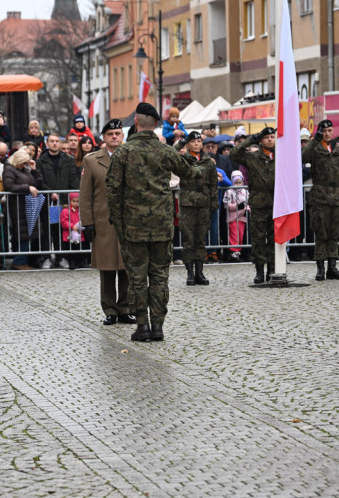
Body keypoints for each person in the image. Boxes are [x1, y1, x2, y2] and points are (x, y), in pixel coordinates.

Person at [106, 102, 206, 342]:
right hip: (161, 226)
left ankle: (142, 326)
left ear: (136, 122)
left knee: (137, 278)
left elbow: (113, 191)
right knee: (160, 276)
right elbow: (193, 173)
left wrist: (119, 226)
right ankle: (158, 326)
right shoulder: (166, 151)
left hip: (133, 227)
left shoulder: (123, 153)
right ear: (157, 124)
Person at [80, 119, 132, 326]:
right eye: (110, 134)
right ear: (104, 137)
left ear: (123, 136)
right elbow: (85, 195)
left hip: (128, 221)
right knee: (107, 267)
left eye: (117, 133)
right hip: (103, 222)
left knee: (127, 267)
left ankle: (125, 308)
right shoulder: (92, 161)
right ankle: (110, 309)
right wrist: (88, 222)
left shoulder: (131, 158)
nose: (114, 137)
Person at [302, 119, 339, 280]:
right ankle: (320, 267)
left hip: (337, 196)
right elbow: (302, 157)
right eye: (324, 131)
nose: (328, 133)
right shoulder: (315, 148)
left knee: (334, 233)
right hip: (320, 197)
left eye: (330, 130)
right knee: (321, 233)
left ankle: (332, 266)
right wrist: (314, 140)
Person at [230, 127, 277, 283]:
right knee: (258, 238)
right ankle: (259, 270)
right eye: (266, 137)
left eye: (272, 137)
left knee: (273, 238)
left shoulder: (281, 155)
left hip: (276, 202)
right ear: (261, 140)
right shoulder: (253, 157)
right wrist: (251, 139)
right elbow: (234, 154)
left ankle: (272, 269)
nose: (270, 139)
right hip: (258, 202)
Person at [178, 131, 218, 286]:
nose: (196, 143)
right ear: (188, 144)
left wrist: (213, 204)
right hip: (188, 204)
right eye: (193, 141)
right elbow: (171, 155)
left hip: (203, 204)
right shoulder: (183, 160)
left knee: (200, 239)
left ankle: (200, 272)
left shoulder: (208, 161)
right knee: (189, 239)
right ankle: (190, 273)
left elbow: (213, 184)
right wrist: (181, 143)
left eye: (199, 141)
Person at [38, 133, 80, 267]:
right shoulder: (41, 160)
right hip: (47, 201)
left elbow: (73, 180)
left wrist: (71, 198)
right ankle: (47, 258)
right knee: (47, 231)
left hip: (64, 201)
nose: (55, 143)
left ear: (60, 143)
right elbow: (39, 180)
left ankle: (61, 257)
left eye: (57, 141)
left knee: (61, 231)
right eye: (52, 141)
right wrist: (49, 192)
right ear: (47, 143)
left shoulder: (68, 160)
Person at [2, 149, 46, 271]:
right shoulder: (9, 169)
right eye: (24, 162)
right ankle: (19, 261)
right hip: (18, 207)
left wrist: (34, 170)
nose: (25, 165)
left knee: (28, 234)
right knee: (24, 235)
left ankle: (22, 260)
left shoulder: (24, 170)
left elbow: (38, 183)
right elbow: (9, 186)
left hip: (28, 206)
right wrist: (27, 187)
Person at [224, 170, 249, 261]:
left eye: (240, 182)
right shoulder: (229, 192)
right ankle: (234, 252)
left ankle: (238, 251)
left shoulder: (245, 191)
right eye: (236, 183)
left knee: (240, 235)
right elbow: (226, 205)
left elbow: (248, 203)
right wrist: (237, 206)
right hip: (233, 218)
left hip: (242, 218)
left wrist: (247, 209)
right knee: (234, 235)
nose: (238, 185)